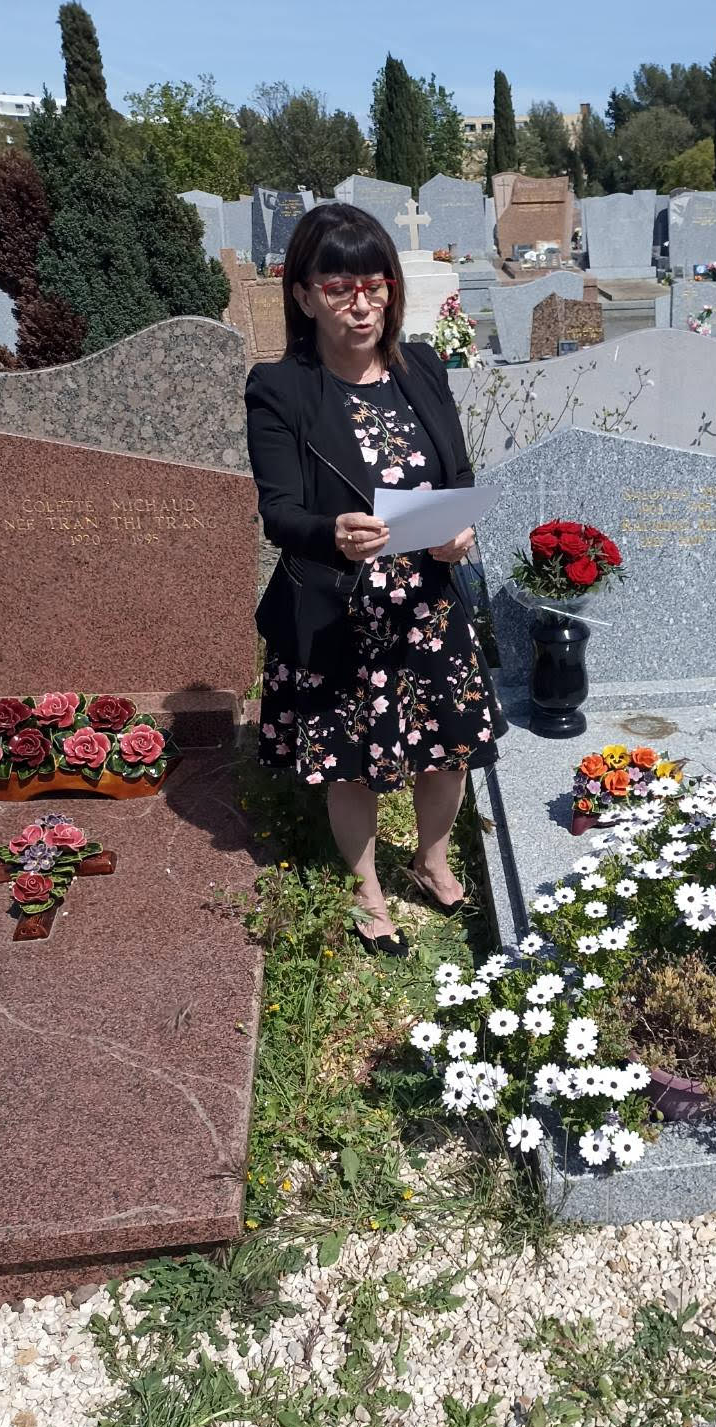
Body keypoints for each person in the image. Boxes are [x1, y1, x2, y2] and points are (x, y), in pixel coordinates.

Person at [246, 203, 502, 957]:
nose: (361, 303)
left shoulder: (421, 365)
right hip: (339, 609)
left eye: (375, 284)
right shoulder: (280, 389)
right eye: (339, 287)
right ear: (302, 295)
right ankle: (366, 887)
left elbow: (456, 472)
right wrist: (331, 533)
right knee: (349, 761)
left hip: (426, 601)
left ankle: (429, 858)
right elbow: (278, 511)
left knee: (449, 747)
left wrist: (460, 530)